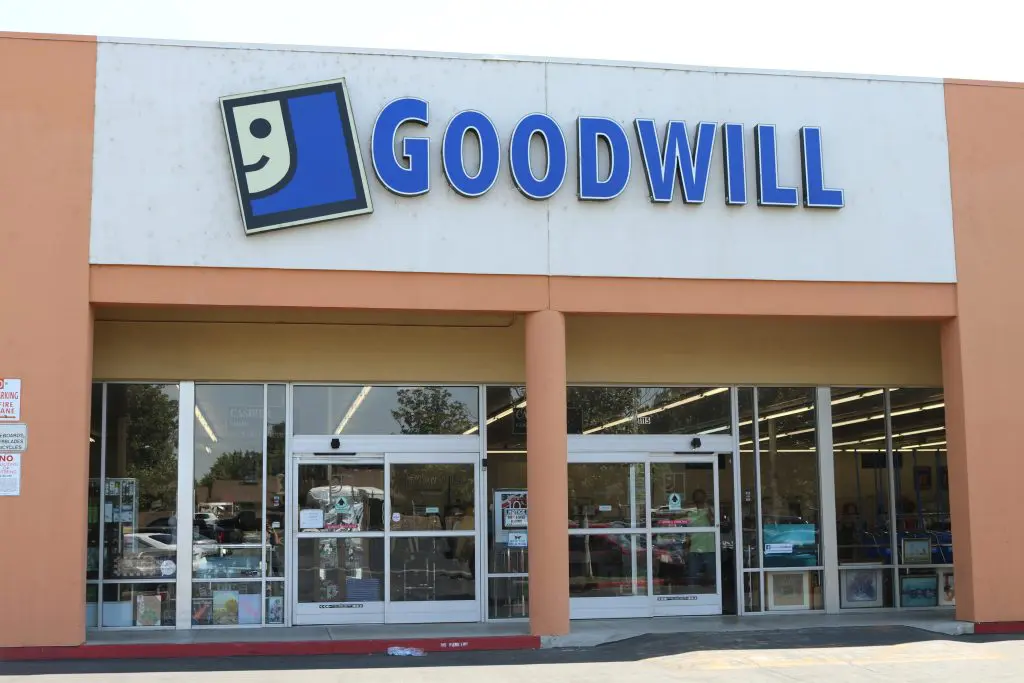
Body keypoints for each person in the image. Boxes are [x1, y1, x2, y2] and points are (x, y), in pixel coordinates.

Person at [685, 489, 716, 587]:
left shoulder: (711, 510)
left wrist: (708, 511)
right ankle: (693, 596)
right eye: (697, 496)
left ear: (705, 497)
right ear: (694, 499)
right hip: (694, 549)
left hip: (709, 548)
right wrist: (686, 547)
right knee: (692, 576)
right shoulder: (691, 513)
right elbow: (688, 533)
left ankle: (712, 597)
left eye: (701, 496)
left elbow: (714, 524)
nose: (699, 498)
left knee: (711, 577)